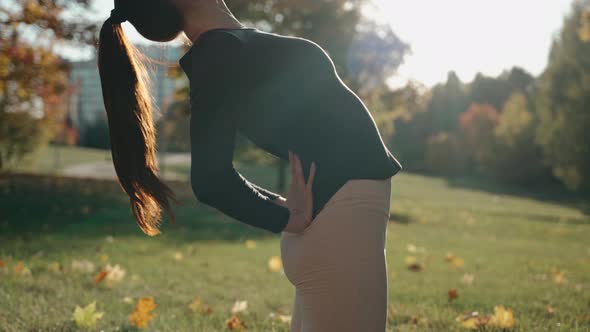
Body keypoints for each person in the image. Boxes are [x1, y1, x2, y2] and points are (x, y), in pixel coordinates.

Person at [97, 0, 402, 331]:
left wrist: (285, 212)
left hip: (339, 223)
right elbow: (210, 179)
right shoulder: (218, 54)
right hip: (341, 227)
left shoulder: (230, 46)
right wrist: (285, 215)